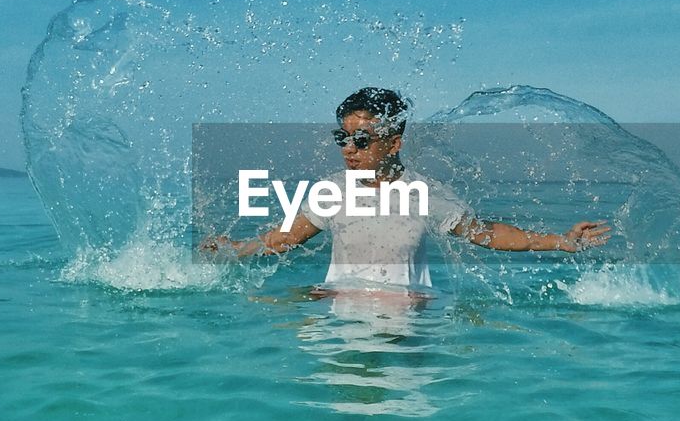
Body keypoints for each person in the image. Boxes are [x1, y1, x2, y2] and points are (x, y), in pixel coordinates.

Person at [202, 86, 611, 290]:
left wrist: (562, 241)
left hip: (406, 322)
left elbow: (487, 234)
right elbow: (282, 240)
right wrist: (231, 250)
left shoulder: (425, 195)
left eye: (361, 140)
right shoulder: (331, 191)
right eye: (342, 138)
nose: (349, 149)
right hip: (340, 315)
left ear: (393, 142)